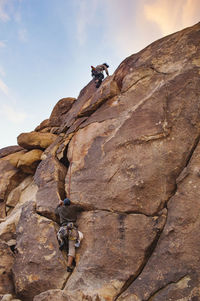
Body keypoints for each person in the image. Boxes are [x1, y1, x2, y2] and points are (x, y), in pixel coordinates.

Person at [55, 197, 84, 273]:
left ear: (64, 203)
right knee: (72, 248)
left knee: (59, 234)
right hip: (72, 229)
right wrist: (73, 203)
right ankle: (68, 266)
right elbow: (81, 207)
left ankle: (62, 241)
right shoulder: (73, 208)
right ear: (70, 203)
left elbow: (55, 212)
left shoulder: (60, 209)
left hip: (63, 229)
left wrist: (59, 204)